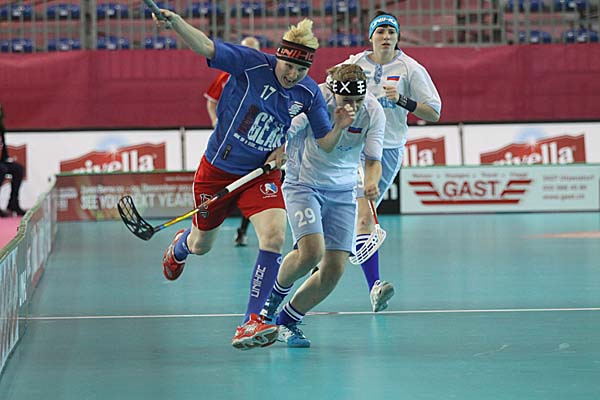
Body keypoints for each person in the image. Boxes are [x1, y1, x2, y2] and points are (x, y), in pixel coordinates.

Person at [152, 9, 355, 350]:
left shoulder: (308, 93)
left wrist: (340, 126)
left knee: (274, 235)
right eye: (288, 66)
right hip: (218, 171)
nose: (293, 74)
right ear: (279, 57)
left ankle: (252, 320)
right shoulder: (250, 64)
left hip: (260, 174)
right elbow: (205, 46)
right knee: (202, 245)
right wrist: (177, 24)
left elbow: (325, 143)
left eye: (301, 69)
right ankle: (181, 245)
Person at [259, 64, 385, 347]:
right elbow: (287, 130)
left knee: (334, 270)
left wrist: (371, 182)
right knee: (310, 252)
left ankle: (287, 320)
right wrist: (278, 150)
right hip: (304, 184)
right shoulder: (314, 98)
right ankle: (268, 307)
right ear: (332, 92)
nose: (352, 107)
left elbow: (373, 160)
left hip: (343, 190)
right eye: (346, 100)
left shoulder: (373, 111)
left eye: (358, 100)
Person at [341, 11, 442, 312]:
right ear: (370, 36)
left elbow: (434, 112)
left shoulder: (411, 69)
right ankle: (372, 285)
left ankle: (344, 268)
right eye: (381, 31)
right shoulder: (354, 64)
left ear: (397, 37)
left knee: (361, 216)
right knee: (358, 215)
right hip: (351, 147)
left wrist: (402, 100)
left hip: (386, 151)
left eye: (391, 32)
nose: (386, 37)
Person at [203, 36, 261, 247]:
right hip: (228, 140)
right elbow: (211, 101)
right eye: (245, 50)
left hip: (254, 143)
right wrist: (215, 121)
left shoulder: (265, 76)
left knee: (251, 183)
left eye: (253, 51)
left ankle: (242, 230)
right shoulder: (227, 75)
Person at [0, 104, 26, 217]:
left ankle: (13, 203)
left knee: (18, 169)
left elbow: (3, 147)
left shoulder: (1, 128)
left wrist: (6, 159)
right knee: (1, 170)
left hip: (1, 161)